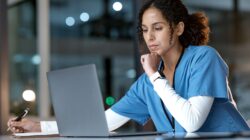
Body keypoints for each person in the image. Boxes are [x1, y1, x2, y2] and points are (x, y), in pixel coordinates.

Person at [8, 0, 250, 133]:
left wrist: (155, 76)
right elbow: (103, 123)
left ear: (178, 28)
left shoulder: (203, 58)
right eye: (145, 30)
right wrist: (38, 126)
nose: (150, 37)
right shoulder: (147, 83)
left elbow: (192, 122)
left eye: (158, 28)